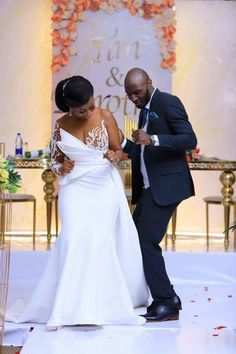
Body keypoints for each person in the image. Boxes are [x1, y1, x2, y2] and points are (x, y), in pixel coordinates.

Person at [10, 75, 149, 329]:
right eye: (83, 109)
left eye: (92, 105)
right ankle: (67, 305)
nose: (89, 111)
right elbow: (53, 161)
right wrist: (62, 166)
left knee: (100, 238)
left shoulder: (106, 117)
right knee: (73, 237)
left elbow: (121, 150)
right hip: (75, 187)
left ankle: (101, 304)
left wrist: (114, 154)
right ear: (69, 108)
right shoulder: (60, 125)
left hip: (102, 184)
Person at [120, 68, 197, 322]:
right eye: (130, 95)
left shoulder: (167, 102)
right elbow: (142, 152)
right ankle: (157, 297)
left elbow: (189, 139)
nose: (134, 98)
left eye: (137, 92)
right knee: (135, 238)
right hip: (151, 187)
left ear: (149, 83)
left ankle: (167, 301)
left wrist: (153, 139)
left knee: (146, 241)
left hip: (167, 186)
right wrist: (120, 144)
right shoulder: (144, 110)